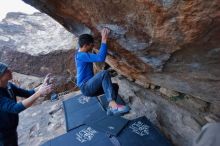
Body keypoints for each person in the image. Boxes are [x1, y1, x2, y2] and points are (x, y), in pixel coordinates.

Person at [74, 28, 130, 115]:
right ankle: (113, 105)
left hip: (88, 87)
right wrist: (104, 39)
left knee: (114, 87)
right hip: (86, 87)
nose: (92, 47)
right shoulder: (81, 56)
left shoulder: (80, 54)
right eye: (91, 45)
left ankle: (110, 109)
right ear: (85, 45)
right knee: (104, 73)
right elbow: (100, 58)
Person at [0, 62, 53, 146]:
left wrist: (42, 86)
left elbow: (27, 93)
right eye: (6, 71)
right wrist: (39, 93)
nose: (10, 71)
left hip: (11, 129)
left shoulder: (8, 85)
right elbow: (15, 108)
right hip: (3, 134)